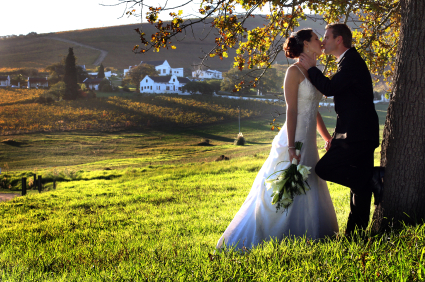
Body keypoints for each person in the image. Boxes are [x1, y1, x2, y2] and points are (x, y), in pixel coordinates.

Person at [216, 29, 339, 251]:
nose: (321, 42)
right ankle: (276, 235)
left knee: (311, 182)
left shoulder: (313, 71)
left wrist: (327, 137)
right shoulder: (293, 72)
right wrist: (291, 147)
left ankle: (312, 235)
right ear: (305, 44)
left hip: (310, 141)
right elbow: (292, 111)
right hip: (295, 138)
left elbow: (314, 109)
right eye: (316, 39)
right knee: (287, 187)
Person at [299, 23, 384, 236]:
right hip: (359, 133)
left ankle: (373, 175)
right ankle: (355, 235)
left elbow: (329, 88)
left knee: (324, 169)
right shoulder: (347, 62)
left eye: (327, 37)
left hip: (358, 134)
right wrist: (335, 137)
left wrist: (310, 68)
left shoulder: (351, 62)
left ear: (339, 40)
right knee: (360, 189)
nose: (323, 41)